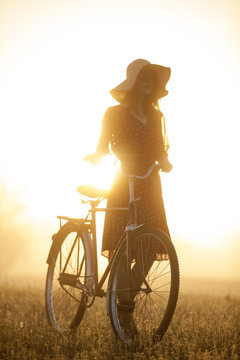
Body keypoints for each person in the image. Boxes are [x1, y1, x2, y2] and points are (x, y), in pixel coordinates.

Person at [84, 58, 173, 334]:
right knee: (122, 248)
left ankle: (124, 299)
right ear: (134, 81)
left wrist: (165, 161)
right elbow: (103, 145)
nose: (149, 82)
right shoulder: (114, 113)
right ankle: (125, 314)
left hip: (150, 184)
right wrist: (96, 157)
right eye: (144, 77)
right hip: (124, 184)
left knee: (152, 245)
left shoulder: (156, 116)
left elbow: (160, 148)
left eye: (152, 79)